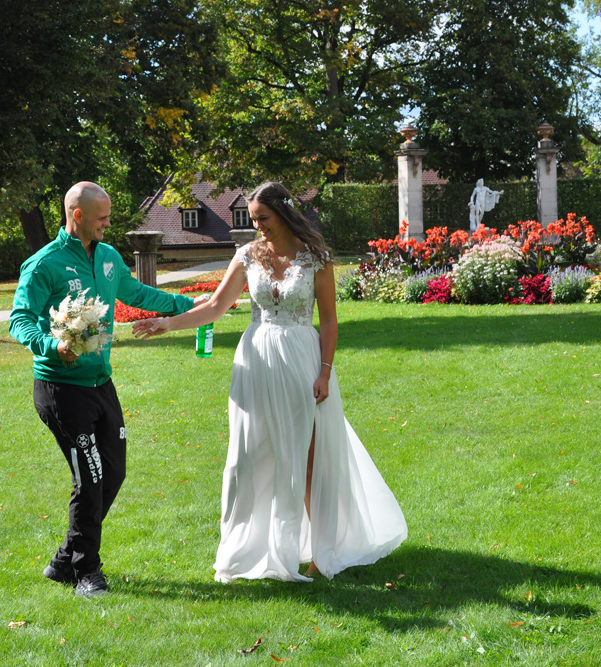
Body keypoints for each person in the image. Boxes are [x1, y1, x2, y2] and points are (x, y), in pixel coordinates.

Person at [132, 182, 407, 581]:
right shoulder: (246, 256)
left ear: (284, 213)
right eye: (252, 218)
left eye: (263, 217)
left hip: (302, 360)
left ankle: (322, 554)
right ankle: (249, 551)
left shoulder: (317, 258)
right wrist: (166, 323)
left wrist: (325, 371)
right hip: (256, 363)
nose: (256, 225)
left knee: (309, 461)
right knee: (250, 459)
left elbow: (328, 320)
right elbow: (214, 306)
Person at [10, 181, 198, 598]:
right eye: (102, 218)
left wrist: (193, 306)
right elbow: (20, 319)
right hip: (61, 387)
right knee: (90, 477)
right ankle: (86, 572)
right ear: (77, 216)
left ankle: (64, 559)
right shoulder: (44, 264)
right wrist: (52, 345)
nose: (108, 224)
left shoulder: (109, 257)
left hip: (101, 382)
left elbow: (137, 293)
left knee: (113, 472)